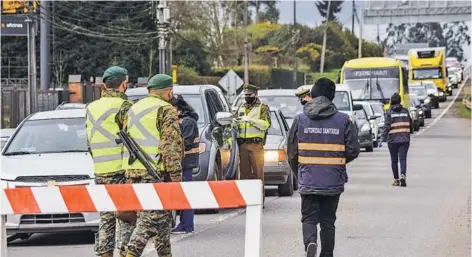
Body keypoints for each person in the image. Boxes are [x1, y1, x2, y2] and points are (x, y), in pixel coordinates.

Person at [287, 78, 360, 257]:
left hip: (309, 179)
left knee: (309, 218)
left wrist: (301, 172)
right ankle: (326, 254)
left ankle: (310, 242)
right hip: (332, 181)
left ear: (313, 94)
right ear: (332, 97)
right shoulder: (344, 120)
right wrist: (336, 163)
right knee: (328, 221)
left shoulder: (300, 119)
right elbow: (353, 150)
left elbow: (291, 152)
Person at [122, 74, 183, 257]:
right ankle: (130, 254)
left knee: (162, 221)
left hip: (132, 172)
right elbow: (170, 147)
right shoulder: (166, 109)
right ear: (169, 91)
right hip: (154, 172)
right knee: (150, 220)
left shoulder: (133, 108)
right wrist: (176, 178)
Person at [85, 66, 134, 257]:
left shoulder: (90, 107)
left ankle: (104, 253)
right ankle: (125, 252)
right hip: (121, 170)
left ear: (105, 85)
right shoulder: (124, 107)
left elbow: (89, 142)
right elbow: (132, 139)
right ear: (124, 84)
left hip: (100, 170)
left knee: (106, 216)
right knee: (126, 216)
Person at [234, 84, 271, 205]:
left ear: (255, 94)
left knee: (258, 173)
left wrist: (250, 120)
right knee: (244, 174)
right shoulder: (241, 107)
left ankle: (259, 200)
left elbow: (266, 125)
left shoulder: (262, 107)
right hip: (242, 145)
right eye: (246, 95)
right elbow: (235, 124)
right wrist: (234, 123)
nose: (247, 97)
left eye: (249, 95)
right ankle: (245, 200)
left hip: (256, 145)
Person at [170, 95, 199, 234]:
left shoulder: (187, 122)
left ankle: (187, 225)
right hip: (182, 162)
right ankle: (183, 223)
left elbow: (185, 142)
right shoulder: (183, 121)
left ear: (179, 109)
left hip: (185, 162)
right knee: (181, 194)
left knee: (186, 195)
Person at [379, 93, 413, 187]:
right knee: (403, 159)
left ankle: (396, 180)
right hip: (405, 139)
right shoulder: (405, 111)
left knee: (394, 160)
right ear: (400, 100)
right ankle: (403, 175)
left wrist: (382, 138)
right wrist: (409, 132)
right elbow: (410, 123)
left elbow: (386, 126)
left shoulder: (389, 112)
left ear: (391, 101)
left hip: (393, 140)